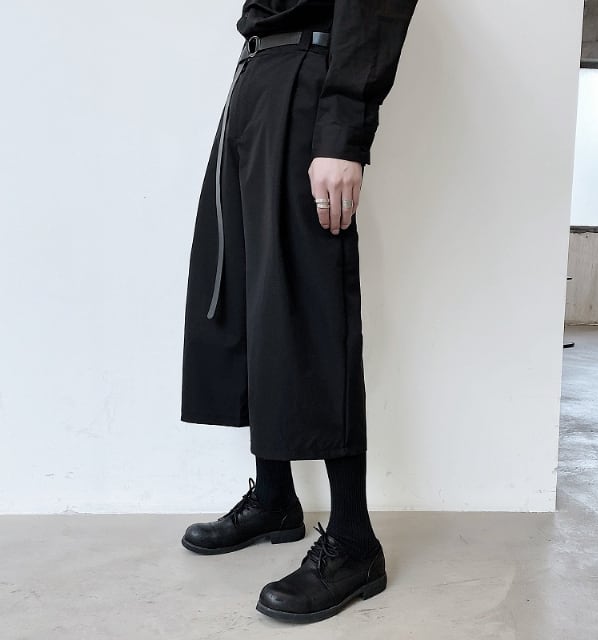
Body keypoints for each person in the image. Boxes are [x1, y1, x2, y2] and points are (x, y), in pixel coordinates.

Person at [180, 0, 418, 624]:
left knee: (310, 302)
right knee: (249, 294)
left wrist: (342, 134)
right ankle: (276, 498)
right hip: (256, 83)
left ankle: (354, 539)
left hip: (308, 82)